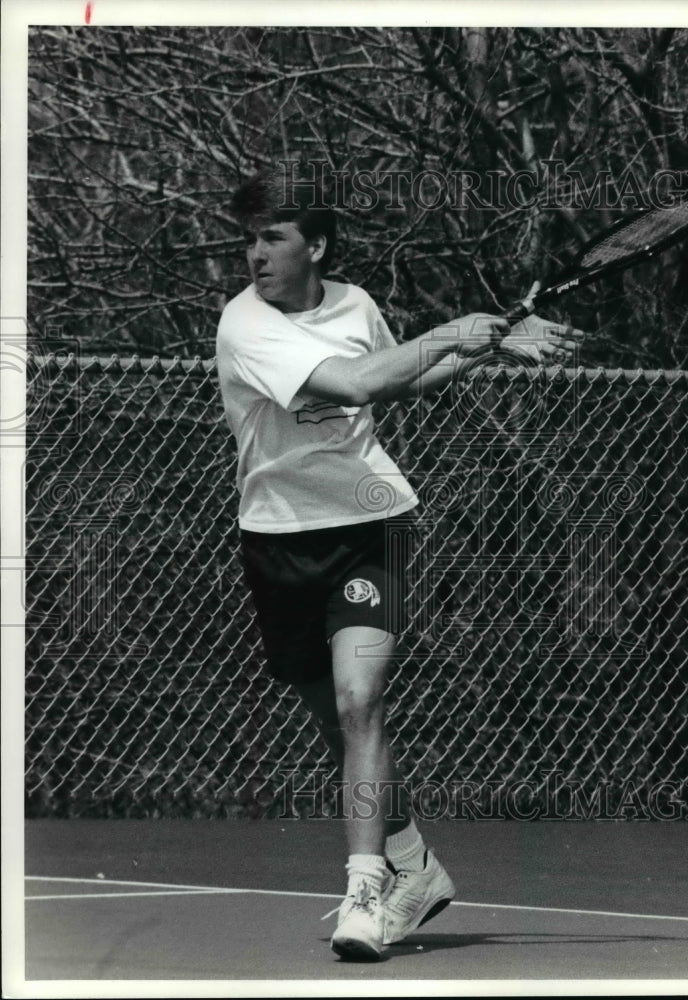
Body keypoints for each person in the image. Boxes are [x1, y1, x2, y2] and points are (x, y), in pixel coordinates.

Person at [216, 168, 575, 961]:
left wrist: (486, 347)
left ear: (317, 244)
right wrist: (456, 327)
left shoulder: (355, 306)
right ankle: (416, 865)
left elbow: (397, 382)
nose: (254, 256)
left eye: (271, 238)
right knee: (333, 725)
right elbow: (353, 380)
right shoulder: (244, 325)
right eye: (248, 239)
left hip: (371, 526)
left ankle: (365, 893)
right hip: (277, 537)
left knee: (358, 701)